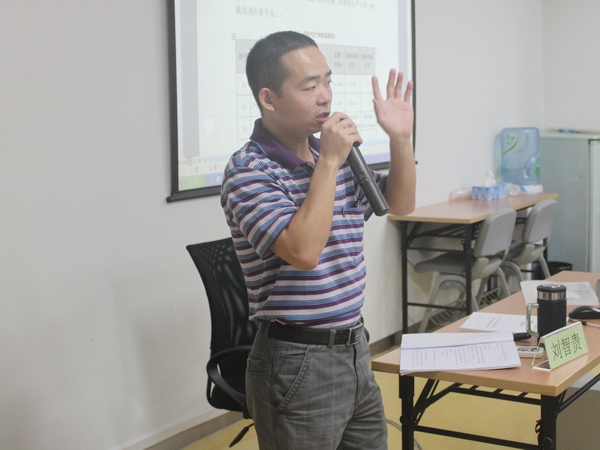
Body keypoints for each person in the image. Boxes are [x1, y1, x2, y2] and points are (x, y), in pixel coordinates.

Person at [221, 31, 416, 450]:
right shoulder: (249, 170)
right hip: (296, 360)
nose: (325, 97)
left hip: (354, 345)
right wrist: (327, 161)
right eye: (309, 87)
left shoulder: (336, 157)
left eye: (327, 82)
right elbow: (304, 251)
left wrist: (400, 139)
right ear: (269, 99)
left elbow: (399, 203)